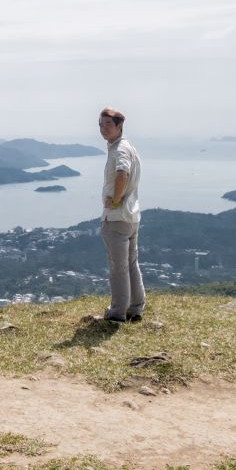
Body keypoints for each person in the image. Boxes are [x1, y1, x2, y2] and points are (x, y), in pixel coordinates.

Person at [98, 107, 144, 322]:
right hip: (131, 216)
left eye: (108, 124)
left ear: (119, 126)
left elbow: (121, 174)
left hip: (117, 217)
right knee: (131, 263)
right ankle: (136, 307)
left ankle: (117, 312)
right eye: (100, 124)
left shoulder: (120, 150)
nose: (103, 128)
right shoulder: (128, 147)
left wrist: (115, 200)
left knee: (118, 268)